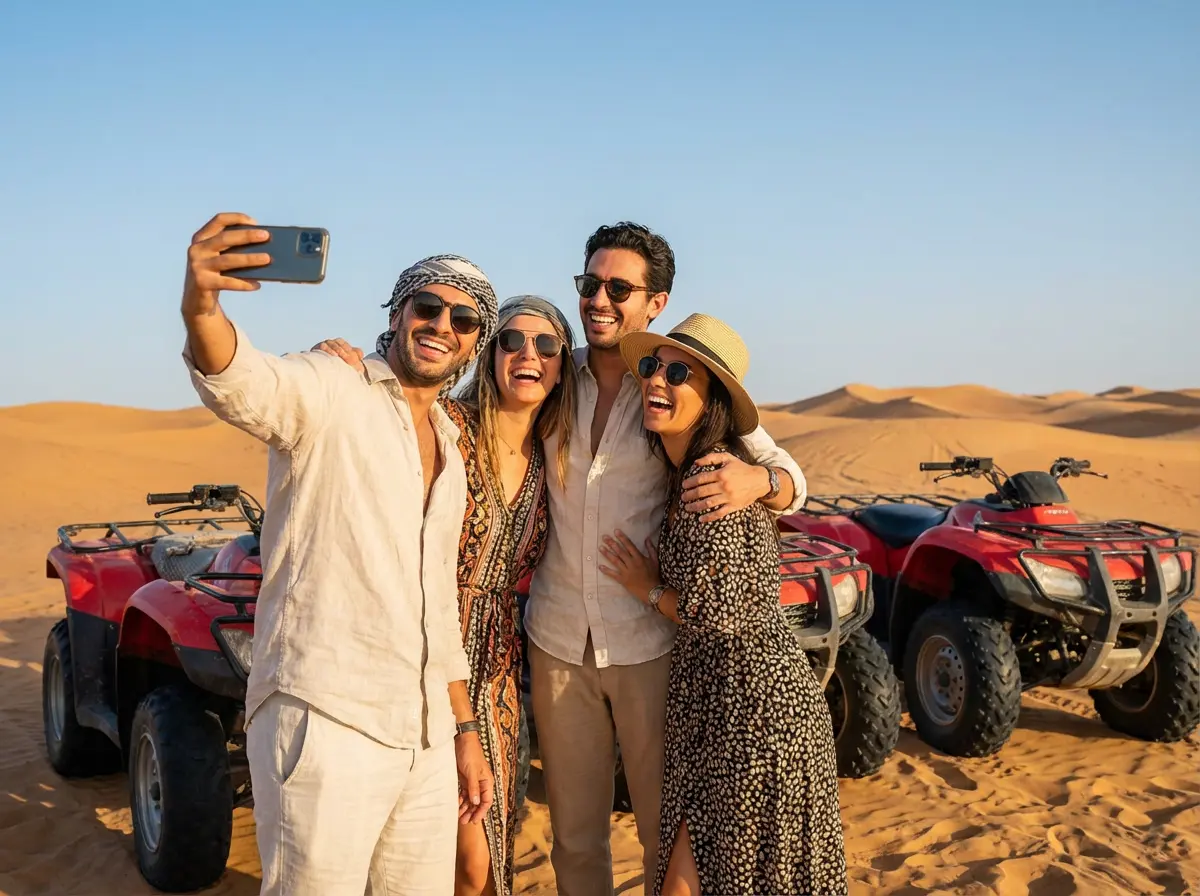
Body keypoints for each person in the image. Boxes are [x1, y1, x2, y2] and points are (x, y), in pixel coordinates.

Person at [179, 212, 499, 896]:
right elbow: (242, 380)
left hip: (424, 734)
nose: (443, 324)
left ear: (475, 346)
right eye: (429, 306)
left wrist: (463, 730)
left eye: (465, 320)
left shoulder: (448, 443)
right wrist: (200, 303)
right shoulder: (331, 385)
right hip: (326, 717)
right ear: (399, 311)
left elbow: (435, 609)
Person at [524, 222, 810, 895]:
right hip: (558, 640)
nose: (598, 299)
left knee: (666, 833)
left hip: (651, 647)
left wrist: (757, 482)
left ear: (655, 303)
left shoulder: (677, 379)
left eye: (617, 288)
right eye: (588, 284)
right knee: (574, 837)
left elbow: (788, 473)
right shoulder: (552, 374)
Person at [311, 295, 578, 896]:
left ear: (563, 365)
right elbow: (370, 414)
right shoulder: (443, 424)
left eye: (546, 346)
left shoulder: (556, 455)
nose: (527, 355)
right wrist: (340, 362)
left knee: (484, 856)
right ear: (489, 353)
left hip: (498, 671)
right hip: (421, 654)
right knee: (432, 849)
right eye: (510, 340)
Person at [597, 313, 848, 895]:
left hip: (753, 710)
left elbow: (720, 614)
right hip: (719, 704)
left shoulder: (716, 477)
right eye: (653, 367)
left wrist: (646, 587)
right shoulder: (693, 468)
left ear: (711, 400)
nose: (657, 380)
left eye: (679, 372)